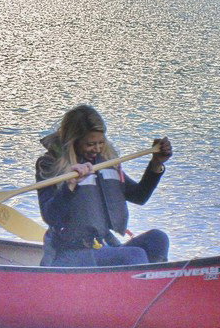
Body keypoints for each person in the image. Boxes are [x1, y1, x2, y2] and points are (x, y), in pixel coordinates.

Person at [35, 104, 173, 267]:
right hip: (69, 254)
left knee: (158, 239)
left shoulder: (104, 162)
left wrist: (156, 164)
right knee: (135, 255)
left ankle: (154, 278)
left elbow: (139, 196)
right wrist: (69, 186)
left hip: (101, 246)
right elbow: (50, 216)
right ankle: (144, 281)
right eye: (90, 144)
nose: (97, 149)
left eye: (101, 142)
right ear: (74, 141)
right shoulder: (49, 164)